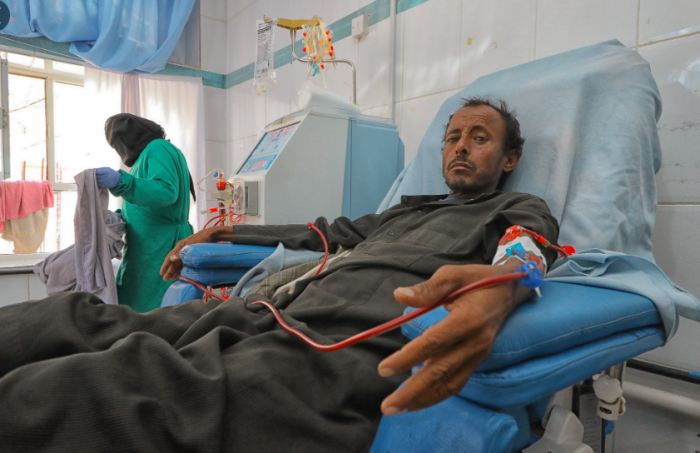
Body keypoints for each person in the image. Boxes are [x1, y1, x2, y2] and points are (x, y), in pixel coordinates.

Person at [0, 98, 559, 452]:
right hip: (273, 309)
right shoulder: (402, 212)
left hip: (338, 340)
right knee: (81, 319)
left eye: (479, 138)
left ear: (509, 159)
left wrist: (498, 292)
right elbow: (321, 232)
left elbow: (527, 252)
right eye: (453, 137)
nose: (461, 147)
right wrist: (223, 233)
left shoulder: (517, 208)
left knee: (109, 386)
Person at [95, 113, 196, 312]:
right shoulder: (139, 163)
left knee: (160, 314)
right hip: (141, 253)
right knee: (133, 313)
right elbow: (146, 204)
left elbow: (166, 192)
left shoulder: (158, 147)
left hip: (161, 249)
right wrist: (120, 217)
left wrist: (120, 181)